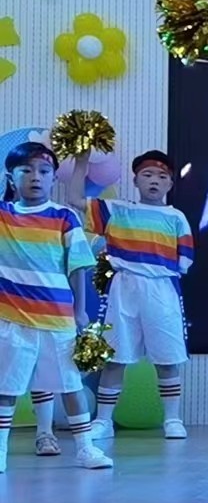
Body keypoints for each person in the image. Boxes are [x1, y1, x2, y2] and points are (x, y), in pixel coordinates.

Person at [0, 141, 111, 471]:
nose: (35, 177)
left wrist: (80, 310)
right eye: (26, 170)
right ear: (10, 177)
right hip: (11, 318)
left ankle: (85, 448)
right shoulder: (3, 215)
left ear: (52, 178)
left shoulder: (64, 217)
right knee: (6, 387)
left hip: (57, 318)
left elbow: (78, 266)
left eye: (44, 171)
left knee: (70, 385)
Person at [81, 151, 195, 441]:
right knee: (114, 356)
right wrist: (82, 157)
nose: (154, 181)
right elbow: (75, 200)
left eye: (161, 176)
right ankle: (103, 421)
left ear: (170, 184)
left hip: (162, 289)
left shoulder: (176, 217)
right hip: (123, 288)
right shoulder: (117, 210)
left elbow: (185, 260)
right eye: (147, 175)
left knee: (167, 357)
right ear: (135, 181)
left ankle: (173, 419)